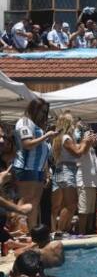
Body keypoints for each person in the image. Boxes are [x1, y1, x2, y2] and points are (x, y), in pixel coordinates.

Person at [13, 98, 56, 230]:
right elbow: (27, 144)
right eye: (41, 111)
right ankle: (15, 232)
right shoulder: (25, 122)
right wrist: (46, 136)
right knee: (26, 201)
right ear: (33, 108)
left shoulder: (35, 125)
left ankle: (32, 234)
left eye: (45, 112)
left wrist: (45, 171)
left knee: (34, 203)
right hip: (27, 167)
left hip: (36, 169)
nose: (43, 114)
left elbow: (42, 151)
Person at [51, 112, 97, 233]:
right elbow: (78, 153)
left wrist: (86, 142)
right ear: (68, 124)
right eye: (73, 122)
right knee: (70, 204)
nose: (75, 125)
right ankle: (59, 231)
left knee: (67, 204)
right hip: (67, 170)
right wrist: (85, 141)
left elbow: (79, 150)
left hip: (64, 170)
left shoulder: (62, 137)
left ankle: (61, 230)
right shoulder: (66, 137)